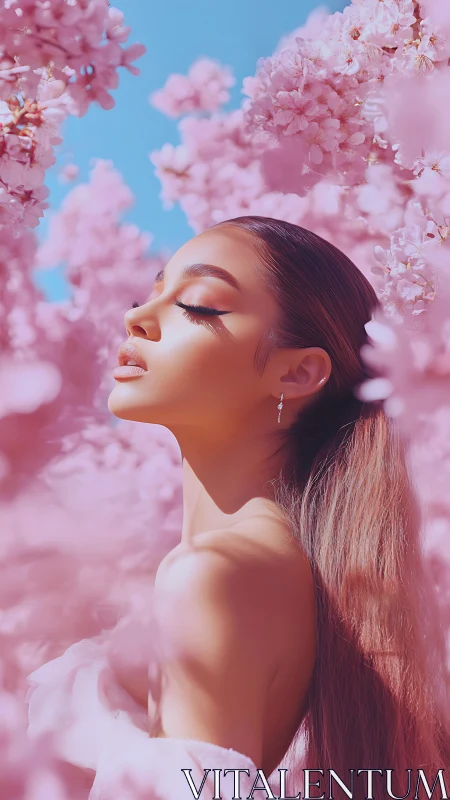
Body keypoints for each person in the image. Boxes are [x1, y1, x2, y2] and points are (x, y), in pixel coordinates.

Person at [26, 216, 450, 799]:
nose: (136, 317)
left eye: (199, 305)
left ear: (297, 372)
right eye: (151, 292)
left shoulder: (214, 577)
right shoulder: (264, 573)